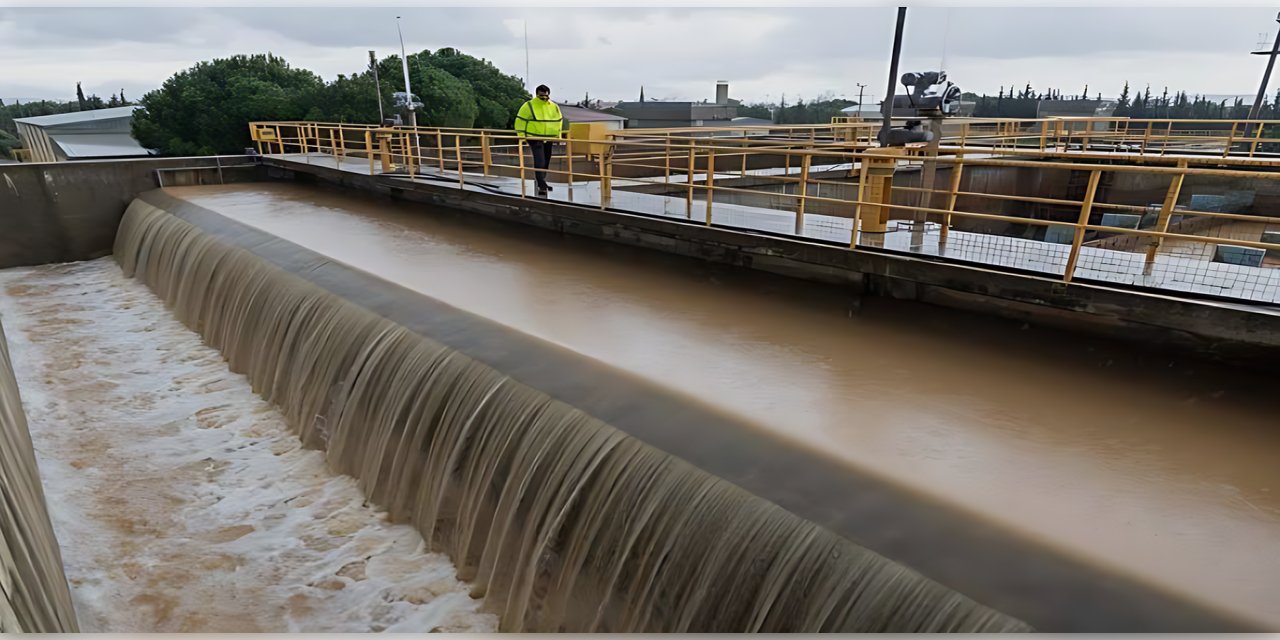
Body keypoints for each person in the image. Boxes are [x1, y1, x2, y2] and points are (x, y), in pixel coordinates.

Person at [514, 84, 564, 195]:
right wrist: (522, 135)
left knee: (546, 160)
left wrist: (558, 136)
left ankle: (542, 180)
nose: (544, 98)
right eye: (542, 96)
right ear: (537, 94)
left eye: (546, 96)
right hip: (534, 137)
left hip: (549, 137)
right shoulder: (529, 106)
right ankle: (541, 184)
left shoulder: (553, 106)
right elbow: (520, 121)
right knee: (540, 160)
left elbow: (559, 121)